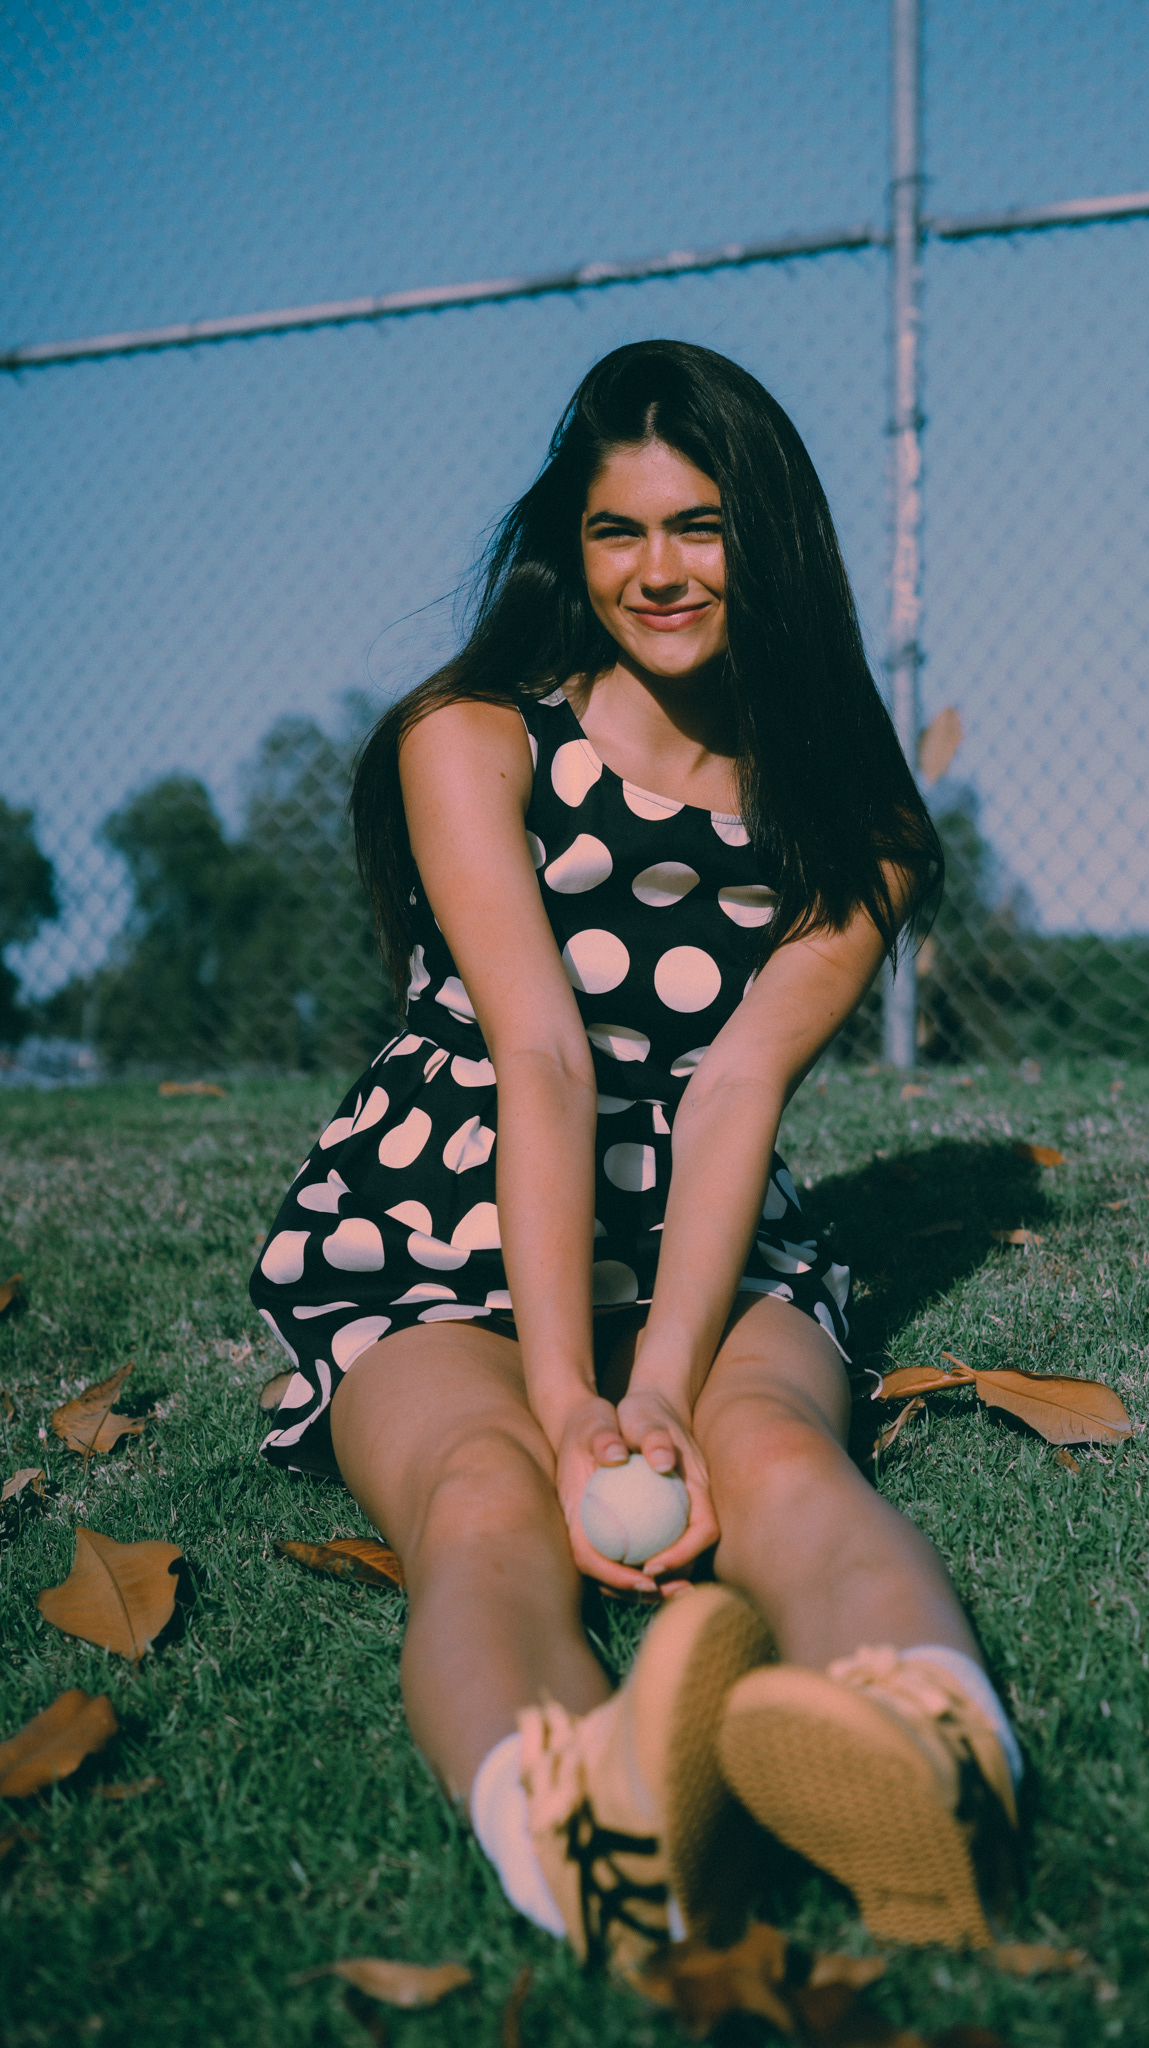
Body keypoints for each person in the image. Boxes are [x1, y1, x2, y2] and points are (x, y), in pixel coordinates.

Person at [249, 339, 1022, 1971]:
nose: (658, 570)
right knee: (481, 1503)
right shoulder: (473, 740)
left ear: (770, 540)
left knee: (784, 1464)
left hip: (707, 1240)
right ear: (573, 546)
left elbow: (735, 1088)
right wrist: (557, 1396)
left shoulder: (859, 828)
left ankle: (931, 1754)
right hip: (436, 1226)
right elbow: (539, 1054)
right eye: (619, 530)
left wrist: (663, 1375)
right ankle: (587, 1826)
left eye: (699, 525)